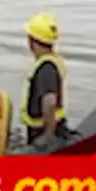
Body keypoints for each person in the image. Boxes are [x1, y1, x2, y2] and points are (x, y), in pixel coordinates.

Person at [21, 12, 69, 150]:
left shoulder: (46, 67)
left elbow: (49, 100)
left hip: (42, 129)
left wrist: (47, 136)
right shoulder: (52, 60)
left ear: (31, 40)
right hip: (54, 125)